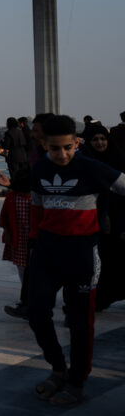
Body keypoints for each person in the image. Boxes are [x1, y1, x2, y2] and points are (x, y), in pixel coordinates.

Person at [28, 115, 125, 407]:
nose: (62, 155)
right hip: (47, 251)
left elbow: (122, 185)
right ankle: (58, 368)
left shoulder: (90, 166)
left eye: (68, 147)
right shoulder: (39, 168)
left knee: (81, 322)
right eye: (55, 148)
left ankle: (77, 381)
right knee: (36, 313)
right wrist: (34, 245)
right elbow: (37, 210)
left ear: (76, 142)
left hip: (82, 253)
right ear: (44, 144)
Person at [80, 123, 125, 311]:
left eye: (102, 139)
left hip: (119, 221)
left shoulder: (119, 162)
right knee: (100, 263)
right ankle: (99, 299)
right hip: (94, 221)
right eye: (95, 140)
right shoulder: (86, 165)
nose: (99, 143)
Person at [0, 168, 33, 319]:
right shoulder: (12, 197)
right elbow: (4, 216)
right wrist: (8, 233)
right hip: (18, 238)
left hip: (32, 239)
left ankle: (29, 298)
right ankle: (26, 297)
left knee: (31, 269)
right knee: (22, 268)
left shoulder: (36, 198)